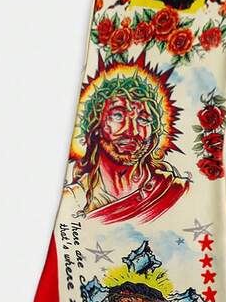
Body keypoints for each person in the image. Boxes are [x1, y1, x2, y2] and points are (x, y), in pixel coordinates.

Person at [64, 77, 189, 224]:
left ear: (153, 134)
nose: (132, 131)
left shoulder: (173, 189)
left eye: (143, 120)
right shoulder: (74, 200)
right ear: (96, 125)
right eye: (118, 115)